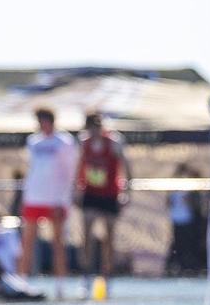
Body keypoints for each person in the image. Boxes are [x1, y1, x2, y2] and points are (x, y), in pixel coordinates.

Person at [19, 108, 79, 286]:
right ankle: (21, 281)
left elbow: (70, 172)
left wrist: (63, 198)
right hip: (34, 197)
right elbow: (31, 169)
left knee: (58, 242)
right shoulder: (33, 141)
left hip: (55, 199)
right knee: (27, 240)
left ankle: (60, 282)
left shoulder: (64, 141)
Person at [76, 109, 132, 283]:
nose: (93, 131)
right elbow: (79, 168)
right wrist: (76, 190)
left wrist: (126, 193)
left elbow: (127, 168)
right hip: (91, 193)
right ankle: (86, 274)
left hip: (109, 194)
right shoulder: (84, 143)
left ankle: (107, 275)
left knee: (109, 237)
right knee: (87, 236)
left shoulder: (114, 142)